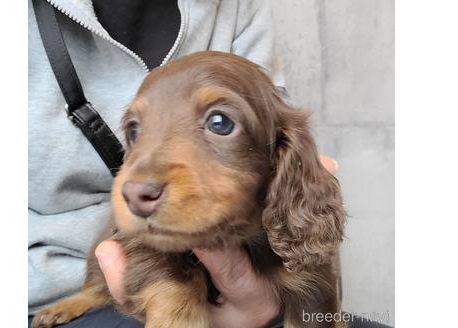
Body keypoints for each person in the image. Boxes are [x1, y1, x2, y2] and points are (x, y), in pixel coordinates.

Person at [28, 1, 388, 327]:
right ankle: (90, 293)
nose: (139, 182)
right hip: (65, 285)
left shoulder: (239, 7)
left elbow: (317, 297)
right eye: (135, 129)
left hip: (255, 270)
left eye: (220, 123)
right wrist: (176, 305)